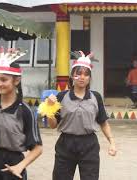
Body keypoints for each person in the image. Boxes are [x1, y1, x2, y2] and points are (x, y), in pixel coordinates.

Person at [46, 51, 117, 180]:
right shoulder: (61, 97)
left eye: (86, 74)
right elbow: (52, 125)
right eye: (78, 74)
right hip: (65, 144)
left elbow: (103, 122)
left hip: (89, 144)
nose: (82, 77)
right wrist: (50, 109)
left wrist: (112, 142)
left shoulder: (96, 97)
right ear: (72, 76)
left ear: (89, 78)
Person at [0, 48, 43, 180]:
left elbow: (38, 148)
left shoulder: (24, 110)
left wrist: (20, 166)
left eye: (4, 80)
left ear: (16, 81)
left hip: (12, 166)